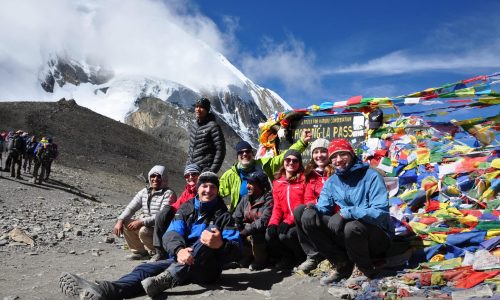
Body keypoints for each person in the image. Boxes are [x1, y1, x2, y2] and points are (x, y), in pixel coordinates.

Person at [59, 172, 241, 299]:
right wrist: (178, 250)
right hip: (182, 261)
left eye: (212, 187)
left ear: (217, 191)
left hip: (207, 269)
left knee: (208, 236)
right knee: (145, 270)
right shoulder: (187, 208)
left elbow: (238, 250)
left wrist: (220, 244)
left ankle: (168, 277)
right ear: (198, 189)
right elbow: (172, 232)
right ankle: (105, 291)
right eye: (204, 186)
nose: (207, 190)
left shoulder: (224, 217)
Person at [298, 138, 393, 285]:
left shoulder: (371, 176)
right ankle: (341, 263)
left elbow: (379, 213)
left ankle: (363, 267)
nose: (338, 159)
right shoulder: (333, 181)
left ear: (352, 155)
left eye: (343, 154)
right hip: (351, 236)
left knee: (352, 226)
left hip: (376, 236)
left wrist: (346, 213)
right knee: (306, 216)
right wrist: (312, 208)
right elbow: (323, 205)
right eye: (334, 157)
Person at [220, 129, 312, 212]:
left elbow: (284, 156)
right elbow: (217, 192)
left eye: (247, 151)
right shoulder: (230, 174)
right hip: (239, 213)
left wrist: (302, 142)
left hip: (264, 209)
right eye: (241, 152)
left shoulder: (264, 164)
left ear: (252, 153)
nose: (244, 154)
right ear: (237, 156)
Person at [112, 165, 177, 260]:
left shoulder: (169, 194)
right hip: (148, 225)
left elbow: (161, 216)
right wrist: (120, 220)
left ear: (164, 178)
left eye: (159, 176)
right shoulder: (144, 192)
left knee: (144, 231)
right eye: (153, 176)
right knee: (126, 223)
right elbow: (131, 208)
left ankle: (158, 253)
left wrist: (141, 222)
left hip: (162, 229)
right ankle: (140, 252)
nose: (155, 179)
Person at [294, 138, 334, 273]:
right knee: (299, 210)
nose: (319, 155)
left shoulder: (335, 171)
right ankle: (312, 255)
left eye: (323, 151)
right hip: (317, 211)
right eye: (316, 152)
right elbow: (308, 198)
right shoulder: (310, 174)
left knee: (308, 215)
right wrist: (313, 205)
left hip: (333, 213)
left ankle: (332, 255)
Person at [150, 163, 201, 261]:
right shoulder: (187, 191)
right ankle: (160, 251)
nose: (190, 177)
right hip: (183, 218)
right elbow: (177, 205)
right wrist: (166, 209)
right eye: (187, 175)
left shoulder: (203, 189)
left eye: (194, 174)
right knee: (162, 214)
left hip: (194, 221)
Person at [266, 149, 307, 270]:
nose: (291, 163)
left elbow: (304, 204)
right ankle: (287, 257)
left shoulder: (304, 180)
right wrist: (273, 223)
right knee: (269, 235)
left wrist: (289, 221)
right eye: (288, 160)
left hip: (299, 219)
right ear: (283, 162)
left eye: (295, 161)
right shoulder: (277, 182)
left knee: (286, 235)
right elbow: (277, 207)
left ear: (299, 164)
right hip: (285, 220)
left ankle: (301, 258)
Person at [232, 169, 273, 270]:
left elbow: (263, 221)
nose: (247, 186)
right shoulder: (245, 199)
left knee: (256, 233)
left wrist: (247, 230)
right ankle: (246, 256)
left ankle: (261, 260)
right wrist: (237, 226)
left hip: (261, 232)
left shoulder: (269, 200)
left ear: (260, 185)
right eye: (247, 183)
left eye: (251, 183)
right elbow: (236, 216)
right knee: (234, 230)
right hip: (247, 231)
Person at [186, 97, 226, 173]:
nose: (198, 109)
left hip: (205, 171)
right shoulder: (194, 126)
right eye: (197, 106)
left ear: (207, 110)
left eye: (201, 107)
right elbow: (191, 149)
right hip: (192, 171)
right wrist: (187, 167)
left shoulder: (213, 126)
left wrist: (212, 171)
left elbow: (220, 150)